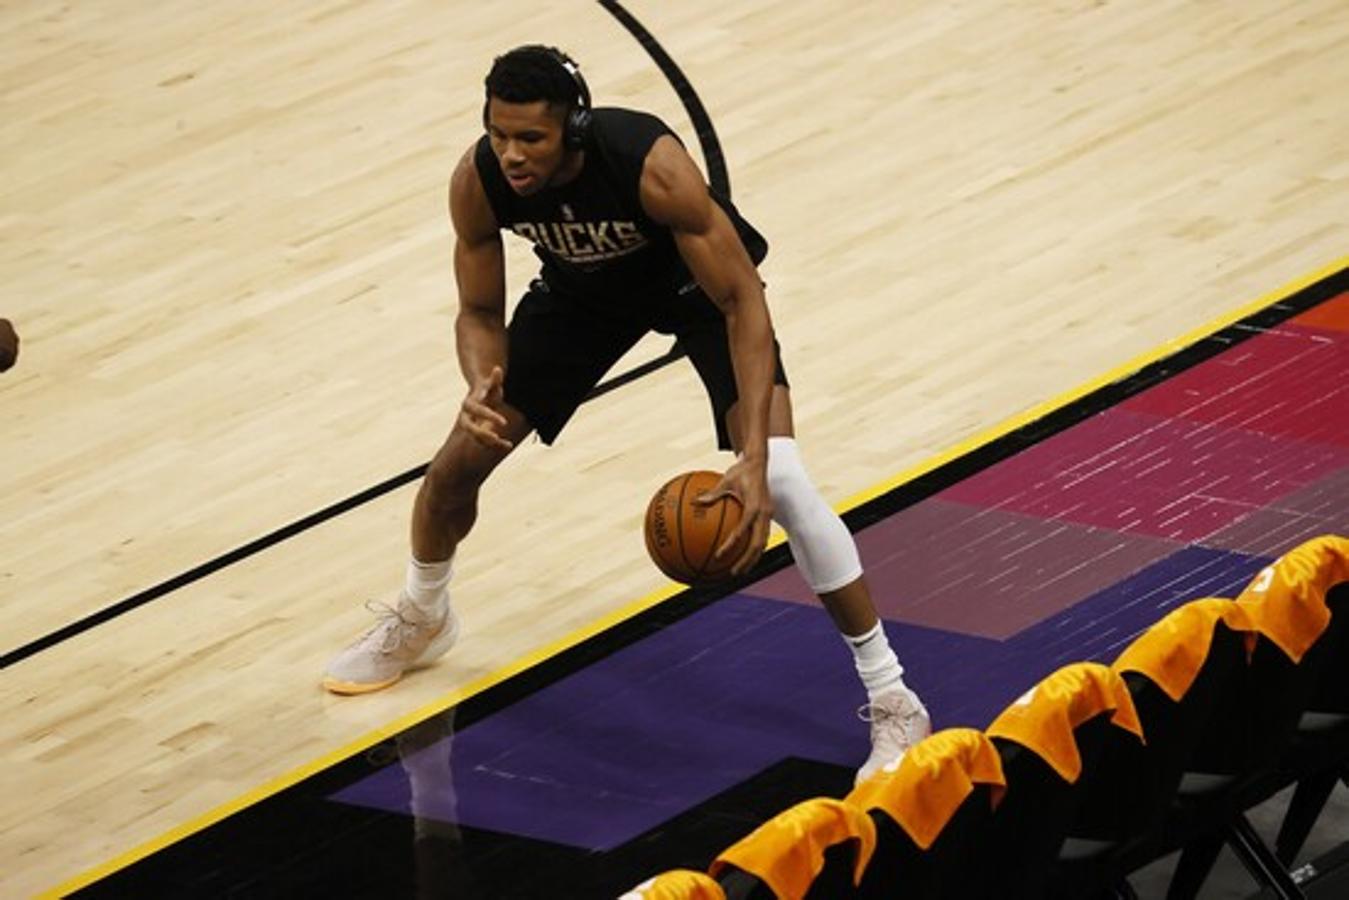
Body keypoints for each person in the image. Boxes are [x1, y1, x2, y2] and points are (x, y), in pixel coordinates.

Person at [324, 45, 929, 782]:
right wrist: (479, 381)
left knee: (790, 487)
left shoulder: (650, 165)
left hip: (695, 296)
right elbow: (478, 309)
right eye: (498, 133)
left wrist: (756, 461)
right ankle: (423, 614)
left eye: (530, 139)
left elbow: (742, 302)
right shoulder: (478, 180)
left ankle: (892, 695)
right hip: (582, 299)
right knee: (453, 468)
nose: (511, 154)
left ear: (574, 129)